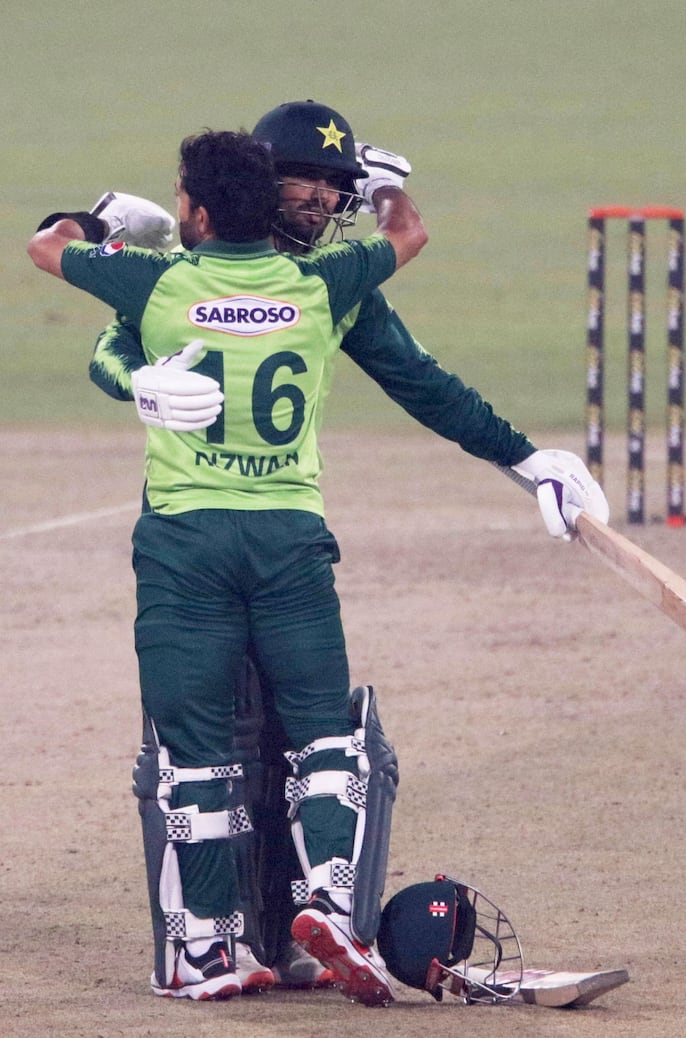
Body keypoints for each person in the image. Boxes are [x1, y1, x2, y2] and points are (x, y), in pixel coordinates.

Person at [77, 101, 610, 1007]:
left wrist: (524, 460)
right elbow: (111, 349)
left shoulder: (329, 280)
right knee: (216, 749)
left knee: (289, 743)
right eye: (304, 180)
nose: (323, 198)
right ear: (255, 178)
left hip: (240, 549)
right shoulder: (211, 273)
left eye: (336, 184)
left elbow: (421, 383)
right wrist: (139, 382)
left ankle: (295, 937)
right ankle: (215, 940)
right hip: (200, 546)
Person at [28, 127, 429, 1005]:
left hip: (187, 545)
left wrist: (101, 224)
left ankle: (201, 952)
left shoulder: (161, 281)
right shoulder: (323, 283)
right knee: (325, 734)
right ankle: (328, 900)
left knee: (199, 755)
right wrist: (382, 193)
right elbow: (407, 236)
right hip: (290, 540)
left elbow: (45, 246)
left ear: (198, 211)